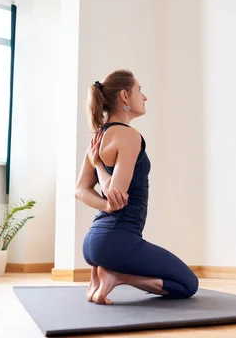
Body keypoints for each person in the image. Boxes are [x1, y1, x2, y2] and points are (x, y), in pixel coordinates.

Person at [74, 69, 199, 305]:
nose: (144, 97)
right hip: (117, 241)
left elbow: (80, 190)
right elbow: (114, 195)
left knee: (178, 279)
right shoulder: (129, 135)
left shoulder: (99, 136)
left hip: (93, 241)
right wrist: (107, 199)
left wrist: (99, 166)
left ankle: (103, 272)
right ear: (124, 96)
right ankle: (116, 275)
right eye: (139, 90)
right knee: (188, 284)